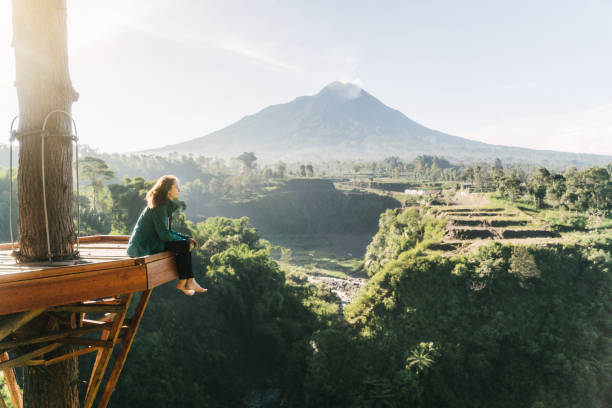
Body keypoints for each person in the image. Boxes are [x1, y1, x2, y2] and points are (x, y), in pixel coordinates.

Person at [127, 175, 207, 296]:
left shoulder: (163, 204)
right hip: (143, 246)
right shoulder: (159, 206)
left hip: (151, 241)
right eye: (176, 187)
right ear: (168, 189)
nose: (179, 190)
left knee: (184, 244)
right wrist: (184, 242)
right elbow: (164, 235)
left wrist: (186, 238)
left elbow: (167, 231)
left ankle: (187, 281)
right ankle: (186, 281)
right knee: (184, 245)